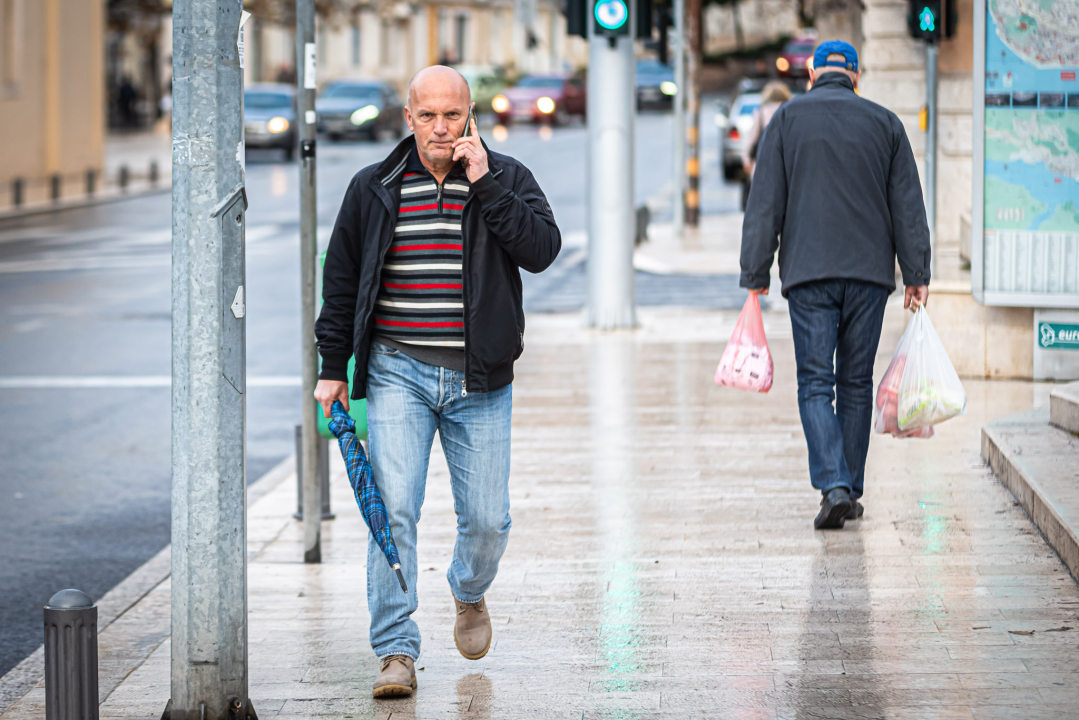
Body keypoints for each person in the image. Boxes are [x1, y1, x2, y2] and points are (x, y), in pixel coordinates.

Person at [313, 66, 560, 698]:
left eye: (453, 116)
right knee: (392, 510)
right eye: (429, 117)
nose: (441, 129)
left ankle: (468, 590)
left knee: (488, 521)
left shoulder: (508, 178)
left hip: (481, 380)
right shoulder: (374, 188)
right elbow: (341, 282)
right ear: (409, 118)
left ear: (471, 116)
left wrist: (487, 184)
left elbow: (541, 250)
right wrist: (330, 369)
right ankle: (396, 649)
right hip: (400, 372)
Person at [739, 40, 931, 530]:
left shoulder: (786, 120)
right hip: (869, 276)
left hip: (808, 275)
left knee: (815, 384)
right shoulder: (885, 123)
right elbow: (908, 206)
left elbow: (765, 203)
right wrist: (917, 275)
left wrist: (755, 274)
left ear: (811, 75)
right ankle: (849, 486)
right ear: (856, 76)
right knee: (854, 382)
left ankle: (834, 485)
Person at [741, 81, 792, 211]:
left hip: (764, 166)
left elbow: (752, 139)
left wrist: (746, 161)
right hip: (787, 165)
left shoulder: (762, 112)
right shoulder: (791, 111)